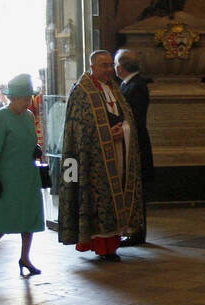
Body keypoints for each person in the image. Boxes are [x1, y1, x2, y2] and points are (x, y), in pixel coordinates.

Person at [58, 50, 145, 262]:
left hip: (118, 151)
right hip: (93, 159)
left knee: (117, 194)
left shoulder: (115, 89)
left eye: (110, 65)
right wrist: (107, 134)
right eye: (103, 66)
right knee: (99, 198)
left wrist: (123, 130)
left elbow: (129, 119)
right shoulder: (82, 92)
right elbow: (79, 129)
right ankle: (102, 246)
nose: (108, 70)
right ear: (92, 67)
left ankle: (113, 242)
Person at [0, 74, 45, 276]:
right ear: (13, 98)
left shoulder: (28, 116)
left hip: (27, 174)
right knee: (6, 218)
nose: (28, 102)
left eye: (29, 98)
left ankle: (25, 257)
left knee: (29, 217)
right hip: (7, 176)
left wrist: (36, 148)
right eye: (25, 99)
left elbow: (27, 140)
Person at [115, 50, 155, 219]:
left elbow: (136, 118)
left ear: (121, 67)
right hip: (128, 140)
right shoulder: (126, 84)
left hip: (136, 142)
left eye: (116, 64)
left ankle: (136, 230)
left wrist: (121, 129)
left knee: (136, 187)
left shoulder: (136, 86)